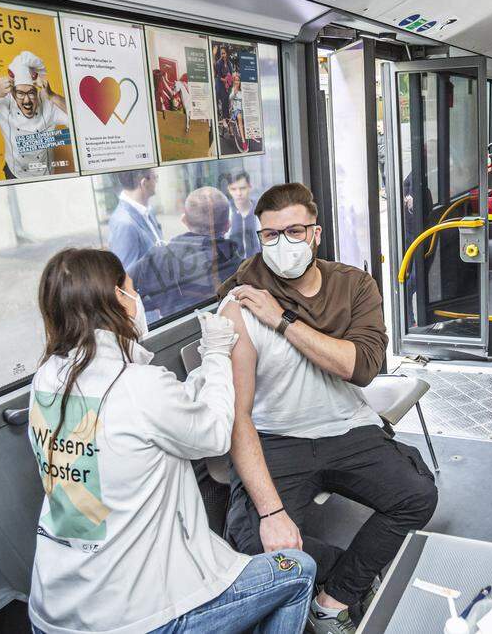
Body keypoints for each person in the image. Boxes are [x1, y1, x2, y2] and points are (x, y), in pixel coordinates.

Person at [27, 248, 315, 634]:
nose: (137, 298)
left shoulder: (46, 378)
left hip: (53, 611)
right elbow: (213, 434)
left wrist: (198, 380)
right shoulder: (137, 386)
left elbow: (150, 416)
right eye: (130, 289)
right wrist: (214, 352)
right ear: (117, 300)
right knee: (297, 571)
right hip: (136, 620)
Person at [218, 184, 438, 634]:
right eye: (269, 235)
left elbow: (360, 367)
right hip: (277, 438)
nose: (281, 244)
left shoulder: (353, 286)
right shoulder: (241, 300)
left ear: (315, 234)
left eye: (294, 231)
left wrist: (282, 320)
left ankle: (334, 597)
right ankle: (341, 569)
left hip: (346, 428)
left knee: (417, 495)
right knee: (252, 540)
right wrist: (271, 514)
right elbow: (239, 415)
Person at [129, 187, 243, 318]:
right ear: (228, 225)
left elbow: (120, 288)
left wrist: (156, 301)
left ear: (184, 220)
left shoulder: (156, 258)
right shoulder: (241, 268)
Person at [0, 51, 69, 180]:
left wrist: (52, 95)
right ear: (13, 93)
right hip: (15, 173)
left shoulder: (48, 103)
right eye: (20, 93)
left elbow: (80, 119)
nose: (26, 100)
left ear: (37, 90)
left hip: (44, 175)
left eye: (31, 93)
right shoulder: (4, 102)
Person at [107, 168, 163, 272]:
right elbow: (127, 278)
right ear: (144, 183)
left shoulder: (146, 211)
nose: (156, 182)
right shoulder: (124, 224)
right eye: (155, 177)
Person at [226, 171, 261, 257]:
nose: (238, 193)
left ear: (250, 187)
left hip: (258, 265)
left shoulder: (260, 210)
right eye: (233, 189)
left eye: (242, 188)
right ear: (229, 190)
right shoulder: (226, 212)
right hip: (235, 267)